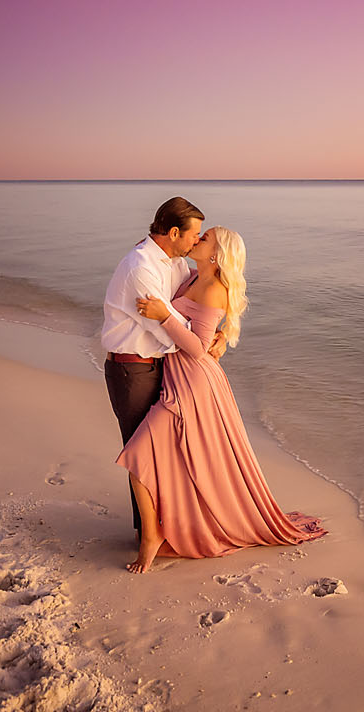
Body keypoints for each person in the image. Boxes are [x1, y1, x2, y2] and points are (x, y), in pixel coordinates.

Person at [116, 225, 325, 571]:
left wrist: (164, 316)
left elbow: (198, 348)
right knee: (164, 456)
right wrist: (223, 335)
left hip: (193, 383)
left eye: (206, 237)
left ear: (217, 254)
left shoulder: (213, 288)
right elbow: (205, 329)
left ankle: (152, 537)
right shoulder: (190, 279)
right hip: (177, 378)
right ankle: (159, 530)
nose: (198, 239)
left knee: (139, 453)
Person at [100, 197, 226, 533]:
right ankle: (147, 533)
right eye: (194, 235)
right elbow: (170, 329)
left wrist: (221, 332)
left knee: (166, 452)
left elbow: (192, 306)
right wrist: (202, 339)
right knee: (141, 453)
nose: (197, 241)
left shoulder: (174, 262)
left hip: (162, 369)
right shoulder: (141, 268)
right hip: (132, 370)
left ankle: (169, 528)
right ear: (173, 232)